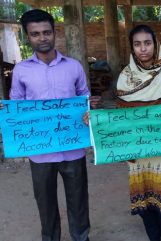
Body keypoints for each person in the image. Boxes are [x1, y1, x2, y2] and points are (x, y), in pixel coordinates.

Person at [8, 9, 94, 241]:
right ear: (28, 37)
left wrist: (88, 112)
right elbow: (16, 105)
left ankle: (81, 236)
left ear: (55, 33)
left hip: (73, 148)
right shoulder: (20, 70)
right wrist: (8, 118)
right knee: (45, 203)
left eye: (46, 32)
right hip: (40, 151)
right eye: (35, 34)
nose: (42, 38)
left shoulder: (74, 66)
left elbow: (84, 97)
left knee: (78, 199)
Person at [115, 24, 161, 241]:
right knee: (145, 199)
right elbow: (120, 116)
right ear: (132, 48)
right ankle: (154, 238)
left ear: (155, 45)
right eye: (137, 44)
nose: (143, 49)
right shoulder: (125, 77)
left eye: (147, 43)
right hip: (138, 150)